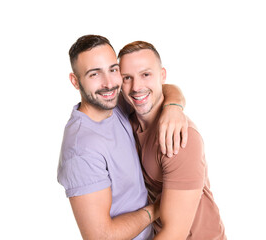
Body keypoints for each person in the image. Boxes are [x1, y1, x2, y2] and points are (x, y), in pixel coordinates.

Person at [57, 35, 188, 240]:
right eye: (94, 74)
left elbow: (159, 88)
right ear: (75, 81)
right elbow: (102, 237)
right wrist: (157, 208)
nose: (109, 83)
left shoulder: (113, 104)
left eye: (113, 69)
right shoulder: (80, 150)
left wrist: (174, 107)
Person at [119, 41, 226, 240]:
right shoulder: (127, 117)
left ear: (162, 76)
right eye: (127, 78)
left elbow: (173, 234)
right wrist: (174, 104)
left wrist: (175, 106)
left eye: (145, 74)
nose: (136, 87)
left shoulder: (179, 139)